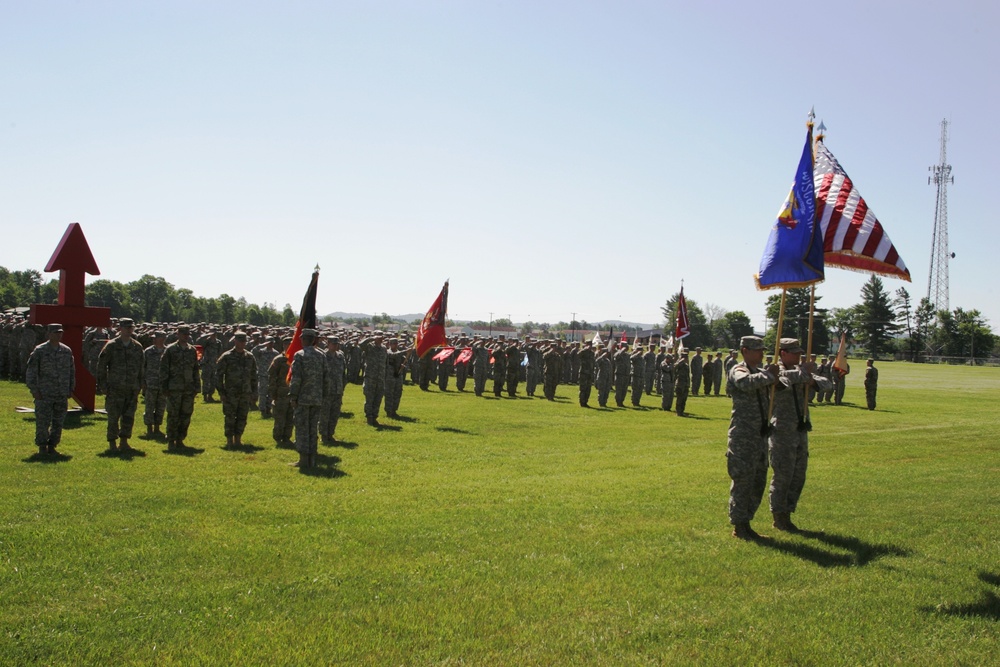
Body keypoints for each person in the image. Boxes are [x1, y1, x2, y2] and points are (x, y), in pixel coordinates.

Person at [769, 338, 832, 532]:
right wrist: (803, 373)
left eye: (799, 352)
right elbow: (782, 380)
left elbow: (828, 384)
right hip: (782, 431)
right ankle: (778, 515)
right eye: (794, 352)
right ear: (783, 353)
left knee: (798, 475)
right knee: (783, 475)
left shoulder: (802, 372)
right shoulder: (773, 370)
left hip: (800, 429)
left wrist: (810, 378)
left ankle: (787, 513)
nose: (798, 356)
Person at [726, 336, 778, 540]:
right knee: (743, 480)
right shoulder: (739, 369)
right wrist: (769, 376)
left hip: (760, 434)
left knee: (758, 480)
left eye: (762, 350)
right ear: (744, 350)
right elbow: (745, 383)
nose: (761, 353)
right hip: (743, 435)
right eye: (757, 350)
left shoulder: (759, 372)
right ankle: (739, 526)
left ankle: (747, 522)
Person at [25, 323, 75, 455]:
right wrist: (34, 390)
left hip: (61, 392)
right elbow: (31, 371)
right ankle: (42, 446)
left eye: (60, 332)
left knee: (58, 422)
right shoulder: (40, 351)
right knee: (43, 421)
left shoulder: (66, 351)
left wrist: (70, 388)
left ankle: (52, 445)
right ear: (49, 334)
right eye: (56, 332)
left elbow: (71, 371)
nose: (59, 335)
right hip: (44, 392)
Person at [97, 317, 145, 453]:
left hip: (131, 388)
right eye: (126, 327)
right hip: (115, 388)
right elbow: (101, 366)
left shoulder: (137, 346)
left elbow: (141, 367)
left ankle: (124, 442)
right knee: (113, 416)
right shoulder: (112, 345)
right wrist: (103, 385)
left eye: (131, 327)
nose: (129, 330)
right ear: (120, 329)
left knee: (129, 416)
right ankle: (112, 443)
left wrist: (140, 384)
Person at [288, 329, 329, 468]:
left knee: (302, 428)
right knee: (312, 429)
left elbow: (296, 378)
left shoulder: (300, 355)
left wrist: (293, 395)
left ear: (304, 339)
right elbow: (326, 378)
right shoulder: (321, 355)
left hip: (303, 398)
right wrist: (323, 395)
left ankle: (304, 459)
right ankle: (312, 458)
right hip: (317, 398)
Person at [159, 324, 201, 451]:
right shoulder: (171, 350)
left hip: (188, 388)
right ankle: (171, 440)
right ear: (177, 334)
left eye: (187, 334)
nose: (185, 336)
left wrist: (197, 387)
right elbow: (164, 369)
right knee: (173, 415)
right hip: (174, 388)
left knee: (186, 415)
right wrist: (164, 387)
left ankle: (180, 439)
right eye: (183, 334)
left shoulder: (191, 350)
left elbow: (195, 370)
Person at [215, 331, 257, 448]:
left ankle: (238, 439)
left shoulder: (249, 357)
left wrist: (254, 392)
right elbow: (218, 375)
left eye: (244, 341)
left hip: (245, 393)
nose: (242, 343)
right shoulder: (227, 356)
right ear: (235, 341)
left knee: (242, 417)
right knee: (230, 417)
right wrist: (221, 392)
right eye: (240, 341)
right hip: (230, 393)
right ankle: (229, 440)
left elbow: (254, 376)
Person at [142, 330, 168, 438]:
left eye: (155, 337)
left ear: (161, 339)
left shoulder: (168, 351)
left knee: (161, 407)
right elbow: (143, 367)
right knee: (149, 406)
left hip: (163, 384)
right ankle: (149, 428)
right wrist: (143, 382)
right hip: (150, 383)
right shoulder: (148, 352)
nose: (153, 339)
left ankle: (157, 427)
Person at [320, 335, 346, 442]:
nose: (335, 346)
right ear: (328, 344)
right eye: (333, 343)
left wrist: (342, 386)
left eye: (337, 344)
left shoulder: (340, 356)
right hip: (326, 390)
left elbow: (343, 374)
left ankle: (330, 434)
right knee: (324, 414)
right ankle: (324, 435)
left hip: (338, 390)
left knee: (334, 414)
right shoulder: (322, 356)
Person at [268, 345, 294, 448]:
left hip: (292, 393)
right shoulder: (278, 360)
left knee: (290, 417)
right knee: (280, 417)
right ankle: (278, 437)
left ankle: (287, 437)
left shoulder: (295, 358)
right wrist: (273, 392)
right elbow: (272, 376)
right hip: (281, 393)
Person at [360, 333, 387, 426]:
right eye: (378, 336)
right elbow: (361, 344)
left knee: (378, 399)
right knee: (369, 399)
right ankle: (369, 418)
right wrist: (371, 338)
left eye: (381, 336)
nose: (380, 338)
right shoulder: (369, 347)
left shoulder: (383, 349)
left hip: (380, 378)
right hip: (370, 378)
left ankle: (375, 417)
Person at [253, 336, 280, 417]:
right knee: (262, 393)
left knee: (270, 393)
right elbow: (253, 351)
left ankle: (268, 409)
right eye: (269, 342)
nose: (270, 344)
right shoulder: (261, 351)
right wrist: (262, 345)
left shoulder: (275, 353)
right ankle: (262, 410)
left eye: (272, 343)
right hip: (263, 375)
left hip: (271, 376)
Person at [384, 337, 407, 418]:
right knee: (389, 394)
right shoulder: (387, 352)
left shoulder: (399, 352)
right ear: (390, 344)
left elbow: (402, 360)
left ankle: (394, 410)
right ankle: (389, 411)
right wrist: (406, 350)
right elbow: (393, 356)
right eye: (393, 343)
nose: (395, 345)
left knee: (397, 393)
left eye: (396, 343)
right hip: (390, 377)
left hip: (398, 375)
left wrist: (403, 365)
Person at [577, 341, 595, 407]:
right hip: (583, 373)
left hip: (589, 373)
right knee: (583, 388)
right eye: (589, 344)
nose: (590, 346)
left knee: (588, 389)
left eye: (591, 344)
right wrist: (585, 349)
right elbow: (578, 355)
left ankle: (586, 402)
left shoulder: (592, 353)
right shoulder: (583, 351)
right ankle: (582, 402)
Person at [674, 349, 690, 415]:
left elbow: (688, 375)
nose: (686, 359)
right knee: (679, 398)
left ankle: (682, 411)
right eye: (685, 357)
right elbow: (674, 367)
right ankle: (678, 411)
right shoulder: (679, 364)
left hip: (685, 384)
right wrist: (681, 361)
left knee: (684, 399)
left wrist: (688, 384)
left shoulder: (686, 366)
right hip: (680, 384)